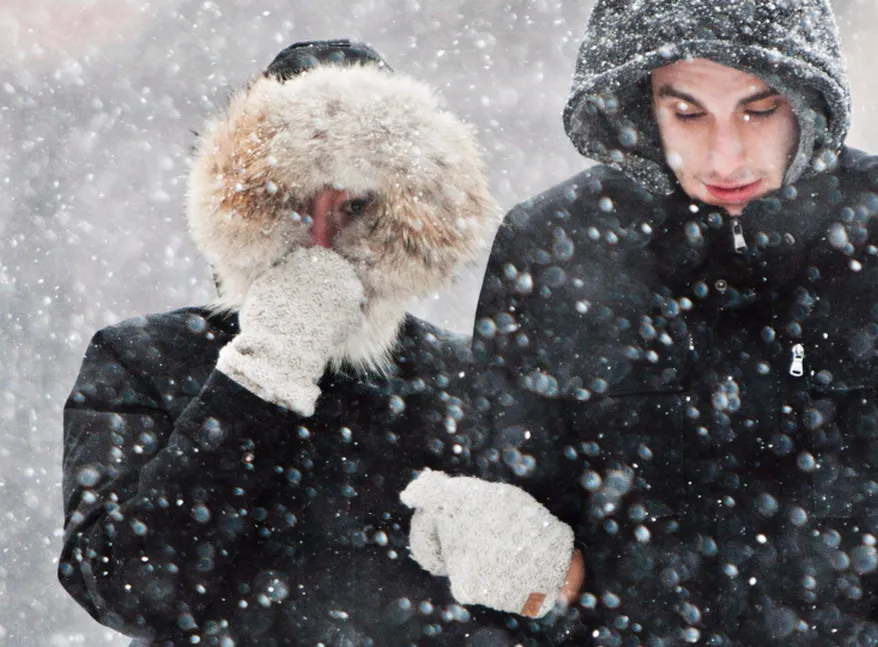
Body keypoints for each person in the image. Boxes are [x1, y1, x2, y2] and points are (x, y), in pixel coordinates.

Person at [442, 1, 878, 645]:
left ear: (808, 97)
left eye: (758, 109)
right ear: (640, 106)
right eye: (688, 113)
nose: (725, 155)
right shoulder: (553, 247)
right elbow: (501, 542)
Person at [58, 40, 579, 646]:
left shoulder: (469, 381)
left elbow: (609, 608)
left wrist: (549, 581)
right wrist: (261, 375)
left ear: (404, 216)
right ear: (243, 208)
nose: (324, 236)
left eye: (356, 204)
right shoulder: (146, 359)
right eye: (295, 201)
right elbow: (122, 587)